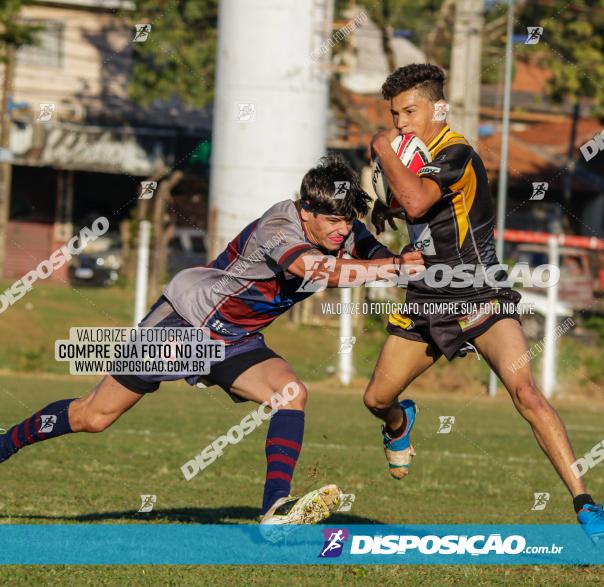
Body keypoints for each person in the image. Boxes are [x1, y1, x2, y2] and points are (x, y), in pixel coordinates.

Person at [0, 156, 423, 533]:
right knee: (93, 416)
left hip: (236, 339)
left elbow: (382, 258)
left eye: (348, 221)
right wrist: (395, 265)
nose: (342, 230)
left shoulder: (342, 229)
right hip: (186, 322)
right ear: (307, 210)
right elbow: (315, 270)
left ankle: (275, 509)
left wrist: (414, 246)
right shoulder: (279, 225)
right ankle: (6, 443)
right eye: (334, 222)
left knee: (291, 394)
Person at [363, 64, 604, 541]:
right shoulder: (404, 153)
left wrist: (380, 149)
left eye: (409, 112)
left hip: (479, 292)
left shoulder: (457, 152)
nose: (399, 124)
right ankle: (400, 422)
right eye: (394, 115)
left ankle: (586, 503)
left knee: (526, 394)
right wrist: (384, 208)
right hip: (425, 297)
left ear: (438, 109)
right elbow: (402, 208)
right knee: (376, 398)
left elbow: (417, 202)